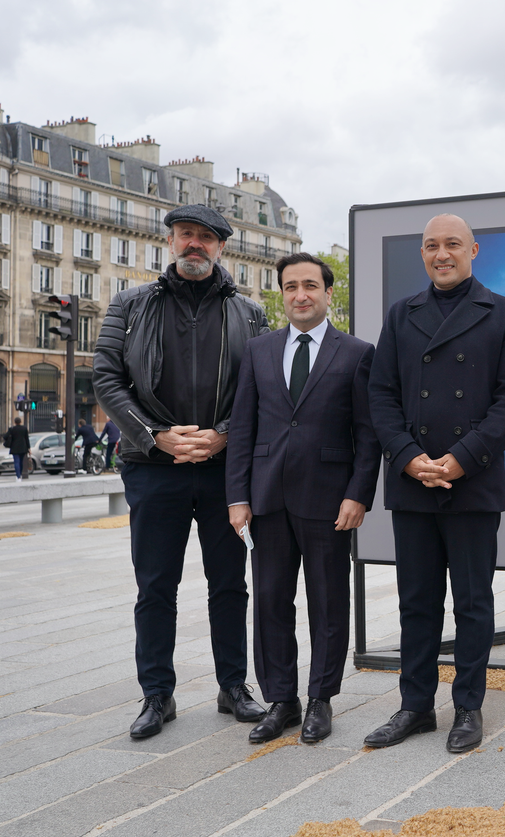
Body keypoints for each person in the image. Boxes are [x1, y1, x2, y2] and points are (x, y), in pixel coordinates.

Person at [93, 204, 270, 740]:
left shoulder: (250, 313)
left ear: (221, 247)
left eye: (206, 238)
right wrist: (155, 436)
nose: (195, 244)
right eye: (185, 235)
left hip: (224, 469)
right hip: (153, 467)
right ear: (169, 241)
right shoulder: (129, 304)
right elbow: (105, 376)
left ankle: (233, 686)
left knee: (230, 585)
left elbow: (259, 387)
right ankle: (156, 695)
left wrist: (222, 433)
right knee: (155, 587)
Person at [366, 213, 505, 753]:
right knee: (416, 602)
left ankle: (467, 708)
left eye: (452, 244)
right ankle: (415, 706)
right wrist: (410, 458)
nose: (442, 253)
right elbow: (381, 396)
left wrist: (460, 458)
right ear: (422, 253)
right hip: (413, 481)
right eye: (432, 245)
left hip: (473, 481)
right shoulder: (401, 313)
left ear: (474, 250)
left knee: (472, 603)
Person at [226, 253, 382, 745]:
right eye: (290, 286)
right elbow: (243, 428)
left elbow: (368, 433)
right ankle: (282, 701)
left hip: (330, 500)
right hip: (266, 498)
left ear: (327, 293)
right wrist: (237, 496)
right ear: (282, 293)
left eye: (310, 285)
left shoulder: (357, 352)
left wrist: (359, 494)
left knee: (329, 603)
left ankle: (320, 700)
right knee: (270, 601)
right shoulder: (258, 351)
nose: (300, 295)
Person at [3, 415, 31, 482]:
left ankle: (18, 476)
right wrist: (29, 448)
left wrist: (10, 438)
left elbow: (5, 437)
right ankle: (20, 474)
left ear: (15, 422)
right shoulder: (24, 429)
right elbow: (27, 439)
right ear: (20, 422)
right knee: (21, 462)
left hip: (14, 447)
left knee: (16, 462)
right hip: (23, 447)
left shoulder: (12, 429)